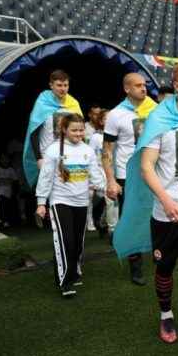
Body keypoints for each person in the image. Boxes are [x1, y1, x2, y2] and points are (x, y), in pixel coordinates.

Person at [112, 61, 178, 344]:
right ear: (177, 86)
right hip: (166, 212)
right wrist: (167, 201)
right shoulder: (159, 119)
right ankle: (165, 314)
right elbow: (147, 167)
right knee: (164, 268)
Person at [36, 114, 105, 298]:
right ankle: (65, 281)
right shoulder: (52, 151)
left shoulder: (87, 150)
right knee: (66, 240)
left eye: (81, 130)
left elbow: (95, 175)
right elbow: (45, 178)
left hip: (81, 202)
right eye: (74, 130)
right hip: (60, 202)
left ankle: (74, 272)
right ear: (64, 130)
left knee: (78, 242)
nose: (78, 133)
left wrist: (106, 189)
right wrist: (41, 202)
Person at [102, 72, 157, 285]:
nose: (143, 89)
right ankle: (136, 267)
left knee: (157, 216)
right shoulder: (116, 114)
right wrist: (110, 180)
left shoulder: (155, 110)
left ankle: (158, 255)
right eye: (138, 85)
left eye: (144, 85)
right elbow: (107, 150)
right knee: (132, 218)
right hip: (127, 177)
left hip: (153, 173)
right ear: (127, 89)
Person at [23, 70, 82, 188]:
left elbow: (81, 133)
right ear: (51, 85)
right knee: (50, 195)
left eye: (66, 85)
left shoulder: (73, 104)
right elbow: (34, 133)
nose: (63, 89)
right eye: (59, 85)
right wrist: (39, 158)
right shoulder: (42, 102)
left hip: (71, 158)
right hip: (48, 157)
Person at [88, 109, 111, 238]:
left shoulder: (116, 136)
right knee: (108, 199)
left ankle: (103, 222)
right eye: (107, 118)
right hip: (100, 172)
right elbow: (90, 157)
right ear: (101, 121)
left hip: (113, 171)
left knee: (112, 201)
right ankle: (107, 226)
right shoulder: (96, 137)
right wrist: (92, 177)